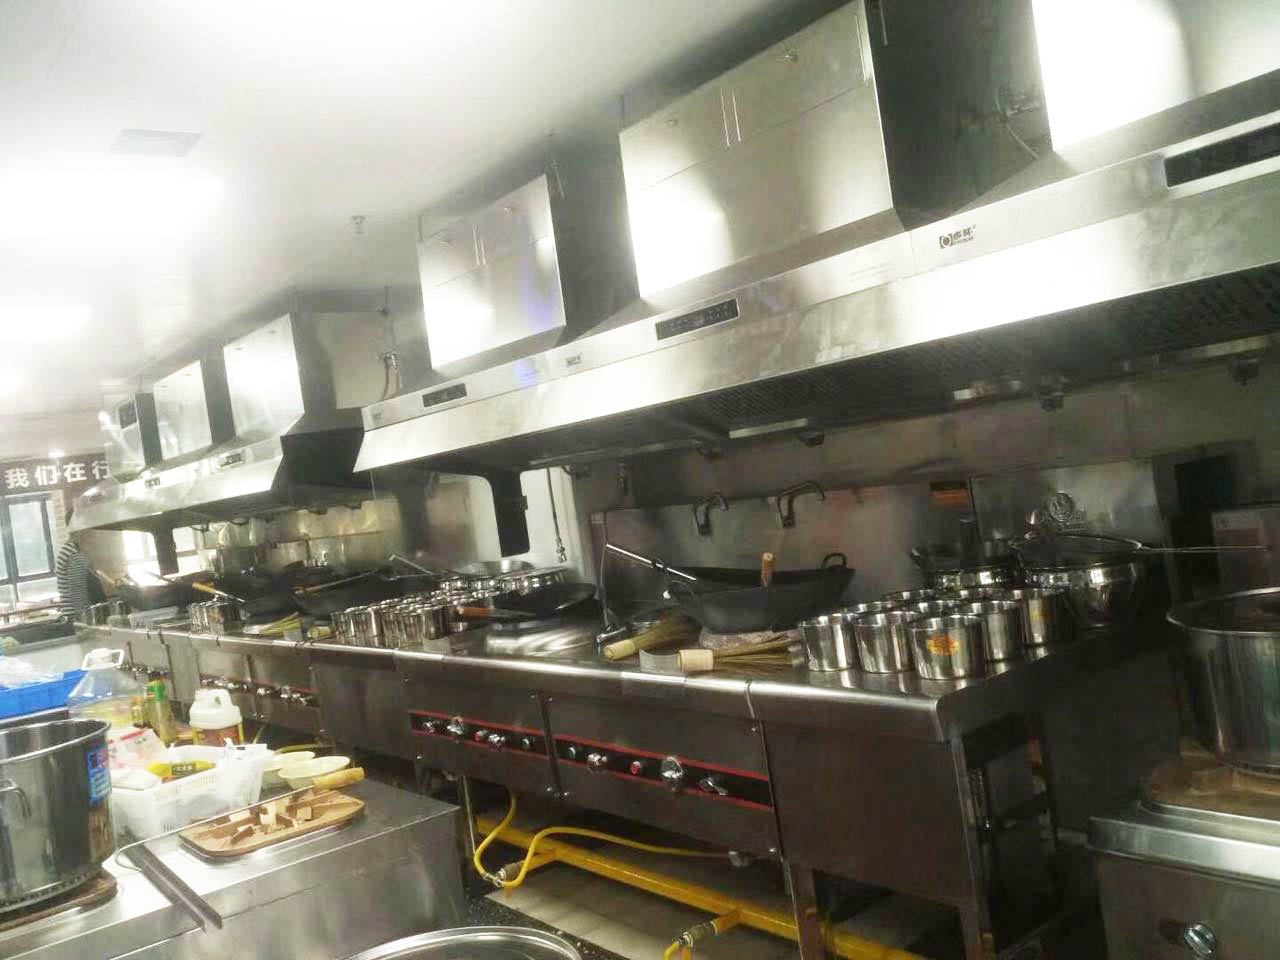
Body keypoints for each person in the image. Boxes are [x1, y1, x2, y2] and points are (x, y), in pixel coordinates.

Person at [55, 511, 104, 621]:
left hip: (76, 617)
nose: (89, 529)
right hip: (78, 618)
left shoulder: (72, 550)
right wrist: (87, 621)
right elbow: (78, 596)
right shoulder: (73, 553)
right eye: (85, 523)